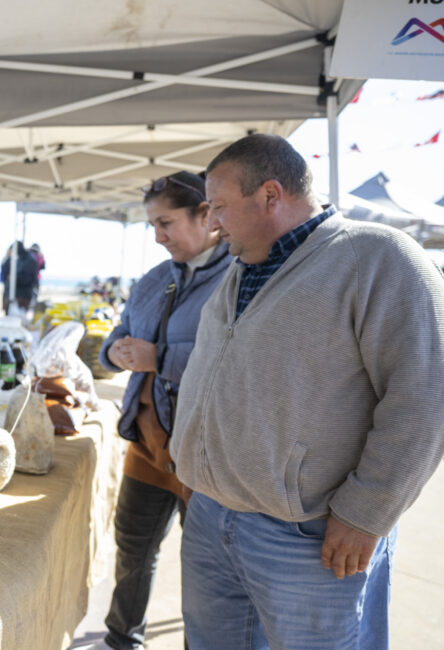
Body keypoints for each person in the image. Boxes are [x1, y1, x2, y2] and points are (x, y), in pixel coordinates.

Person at [170, 134, 444, 649]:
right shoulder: (242, 267)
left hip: (307, 539)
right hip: (212, 517)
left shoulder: (377, 257)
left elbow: (426, 393)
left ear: (271, 196)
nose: (211, 223)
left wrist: (366, 514)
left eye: (222, 207)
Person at [98, 171, 231, 650]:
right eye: (152, 225)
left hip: (207, 458)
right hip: (149, 446)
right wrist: (113, 353)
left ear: (207, 215)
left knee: (207, 570)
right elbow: (117, 335)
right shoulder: (153, 280)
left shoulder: (239, 277)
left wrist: (161, 360)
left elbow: (239, 362)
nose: (158, 236)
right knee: (132, 547)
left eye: (166, 222)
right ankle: (122, 638)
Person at [0, 241, 39, 314]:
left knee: (20, 316)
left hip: (23, 295)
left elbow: (29, 279)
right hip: (14, 294)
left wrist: (14, 278)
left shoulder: (30, 260)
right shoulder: (17, 258)